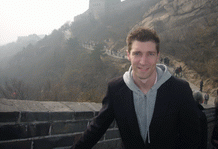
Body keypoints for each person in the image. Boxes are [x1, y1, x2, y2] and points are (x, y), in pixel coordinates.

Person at [71, 27, 201, 149]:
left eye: (150, 54)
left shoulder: (179, 89)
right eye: (137, 53)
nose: (143, 61)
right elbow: (96, 128)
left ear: (158, 56)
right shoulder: (116, 89)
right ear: (128, 55)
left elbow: (193, 138)